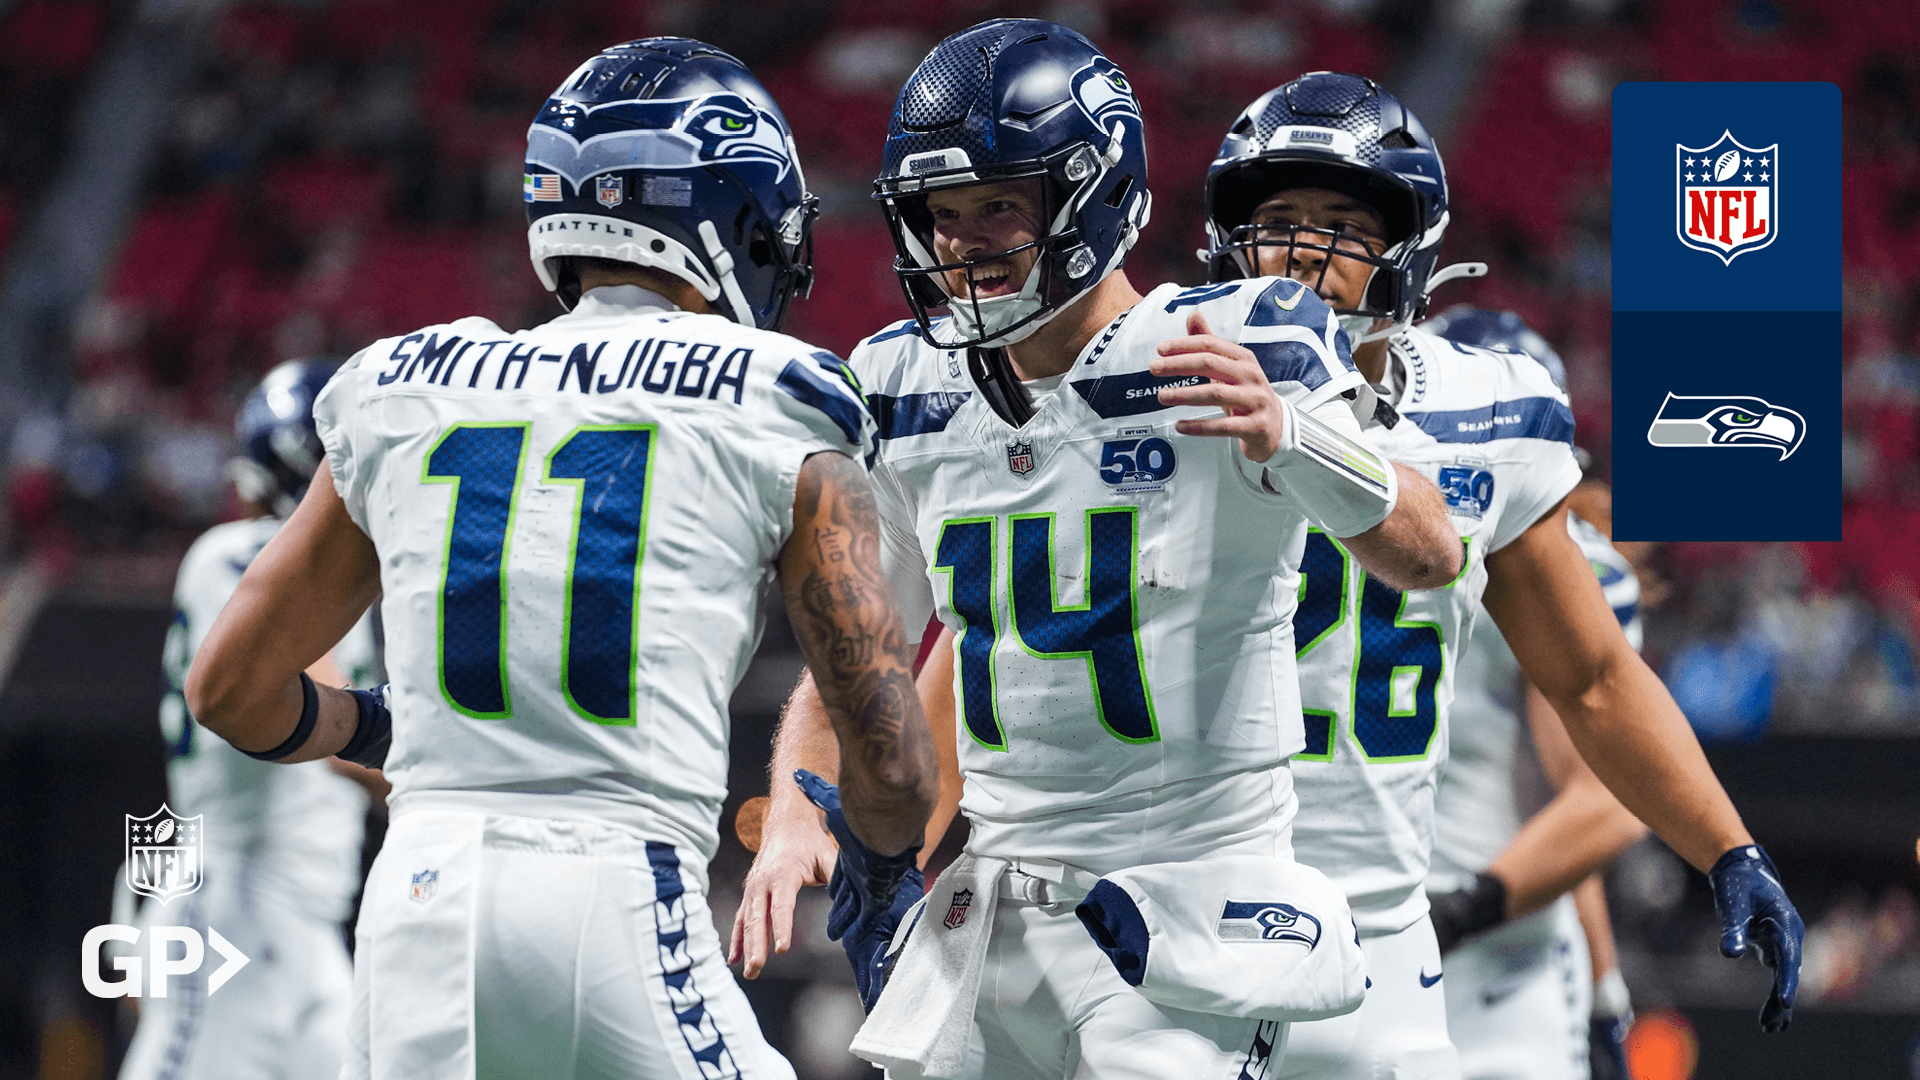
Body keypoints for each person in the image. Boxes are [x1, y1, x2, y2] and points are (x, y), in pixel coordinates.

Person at [184, 38, 938, 1080]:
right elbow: (890, 761)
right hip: (613, 887)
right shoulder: (778, 393)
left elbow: (228, 690)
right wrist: (885, 863)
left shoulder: (403, 385)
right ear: (730, 212)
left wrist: (371, 723)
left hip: (414, 905)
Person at [732, 21, 1465, 1080]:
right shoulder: (899, 379)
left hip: (1190, 900)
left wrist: (1296, 435)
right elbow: (862, 640)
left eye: (997, 205)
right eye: (941, 213)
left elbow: (1430, 550)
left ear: (1093, 193)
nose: (962, 241)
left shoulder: (1243, 339)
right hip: (991, 898)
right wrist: (800, 806)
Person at [1196, 72, 1802, 1079]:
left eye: (1343, 226)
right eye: (1279, 222)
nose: (1303, 255)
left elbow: (1594, 679)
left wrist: (1727, 848)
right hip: (1183, 918)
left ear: (1408, 250)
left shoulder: (1483, 415)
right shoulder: (1151, 389)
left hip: (1389, 938)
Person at [118, 361, 381, 1080]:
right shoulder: (240, 553)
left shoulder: (325, 579)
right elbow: (338, 739)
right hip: (237, 902)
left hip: (303, 923)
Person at [1418, 309, 1648, 1080]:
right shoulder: (1341, 519)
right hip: (1369, 930)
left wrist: (1455, 914)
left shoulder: (1572, 568)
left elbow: (1601, 801)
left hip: (1490, 960)